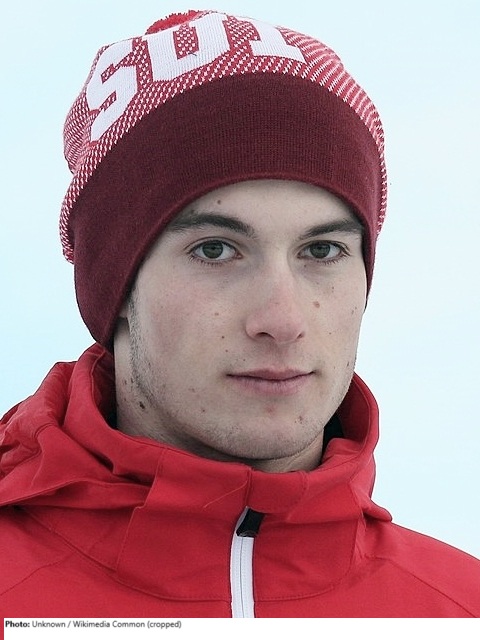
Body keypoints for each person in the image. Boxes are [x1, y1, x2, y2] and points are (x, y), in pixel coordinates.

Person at [0, 9, 479, 618]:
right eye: (215, 250)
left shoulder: (459, 609)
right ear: (114, 285)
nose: (282, 319)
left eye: (322, 251)